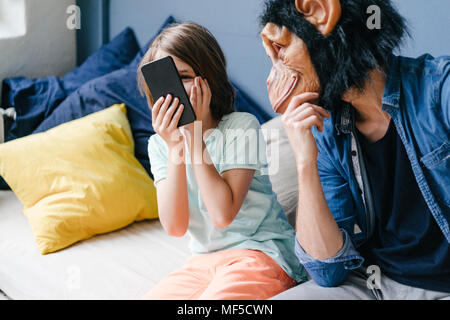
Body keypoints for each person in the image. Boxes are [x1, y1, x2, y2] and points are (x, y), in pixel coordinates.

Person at [258, 0, 450, 299]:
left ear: (321, 11)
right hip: (373, 280)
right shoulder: (328, 131)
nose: (272, 78)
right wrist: (304, 161)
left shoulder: (440, 91)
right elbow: (327, 270)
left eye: (280, 51)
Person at [137, 22, 306, 300]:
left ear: (208, 79)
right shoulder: (159, 144)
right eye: (166, 80)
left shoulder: (241, 127)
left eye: (185, 76)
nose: (175, 90)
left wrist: (193, 139)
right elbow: (175, 227)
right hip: (203, 262)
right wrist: (175, 149)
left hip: (261, 253)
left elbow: (222, 214)